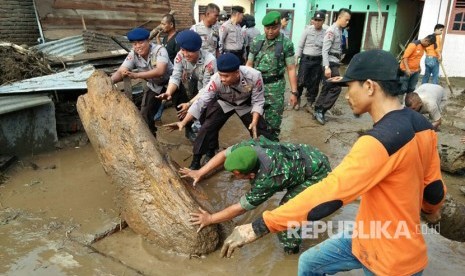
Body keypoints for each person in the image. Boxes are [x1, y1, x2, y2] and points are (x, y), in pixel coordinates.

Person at [220, 50, 446, 276]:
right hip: (368, 235)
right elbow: (434, 188)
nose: (346, 96)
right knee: (310, 263)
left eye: (350, 88)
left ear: (369, 86)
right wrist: (431, 211)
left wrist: (259, 226)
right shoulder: (423, 125)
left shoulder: (378, 142)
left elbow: (329, 194)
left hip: (390, 262)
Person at [183, 136, 331, 254]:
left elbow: (241, 208)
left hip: (317, 172)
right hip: (305, 155)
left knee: (286, 211)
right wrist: (200, 172)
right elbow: (223, 154)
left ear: (250, 174)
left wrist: (210, 218)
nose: (234, 177)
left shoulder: (268, 179)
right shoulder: (246, 149)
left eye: (236, 175)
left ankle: (291, 249)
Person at [164, 53, 273, 169]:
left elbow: (258, 100)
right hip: (224, 102)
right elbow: (201, 101)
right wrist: (183, 122)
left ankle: (268, 158)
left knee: (261, 130)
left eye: (226, 76)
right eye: (221, 75)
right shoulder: (216, 79)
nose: (222, 79)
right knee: (207, 127)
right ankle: (197, 160)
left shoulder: (254, 76)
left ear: (237, 73)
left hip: (245, 104)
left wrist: (255, 120)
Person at [156, 30, 217, 141]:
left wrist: (189, 104)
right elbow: (175, 76)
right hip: (193, 82)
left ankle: (210, 146)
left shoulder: (210, 62)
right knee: (182, 103)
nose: (185, 54)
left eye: (189, 51)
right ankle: (189, 129)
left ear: (198, 49)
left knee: (208, 117)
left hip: (210, 89)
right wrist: (168, 92)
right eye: (183, 50)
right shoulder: (180, 55)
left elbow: (207, 89)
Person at [111, 27, 172, 137]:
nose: (138, 46)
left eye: (140, 42)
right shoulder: (133, 54)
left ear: (148, 41)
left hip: (171, 83)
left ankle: (190, 129)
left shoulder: (159, 50)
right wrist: (108, 82)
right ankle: (152, 138)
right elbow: (121, 71)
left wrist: (136, 75)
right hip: (155, 86)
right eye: (134, 44)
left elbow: (160, 70)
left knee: (183, 109)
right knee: (145, 113)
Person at [247, 11, 298, 141]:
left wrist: (294, 92)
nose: (270, 31)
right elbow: (249, 64)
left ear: (280, 26)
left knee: (273, 124)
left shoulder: (286, 44)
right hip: (257, 87)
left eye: (274, 28)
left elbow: (291, 68)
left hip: (276, 88)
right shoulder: (257, 41)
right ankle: (257, 146)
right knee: (253, 119)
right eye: (267, 28)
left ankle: (272, 150)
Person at [313, 8, 351, 125]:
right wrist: (326, 67)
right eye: (346, 20)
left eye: (348, 20)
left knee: (327, 86)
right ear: (339, 17)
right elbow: (325, 50)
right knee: (336, 87)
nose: (347, 22)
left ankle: (319, 109)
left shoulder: (340, 30)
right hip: (329, 62)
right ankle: (321, 109)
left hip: (334, 62)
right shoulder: (332, 30)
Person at [295, 10, 328, 111]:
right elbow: (300, 45)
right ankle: (297, 99)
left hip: (317, 61)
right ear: (313, 20)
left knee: (314, 82)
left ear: (323, 21)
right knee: (301, 80)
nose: (317, 22)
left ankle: (310, 102)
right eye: (316, 20)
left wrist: (325, 65)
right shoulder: (307, 30)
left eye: (320, 20)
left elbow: (325, 49)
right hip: (305, 60)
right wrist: (296, 58)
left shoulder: (326, 33)